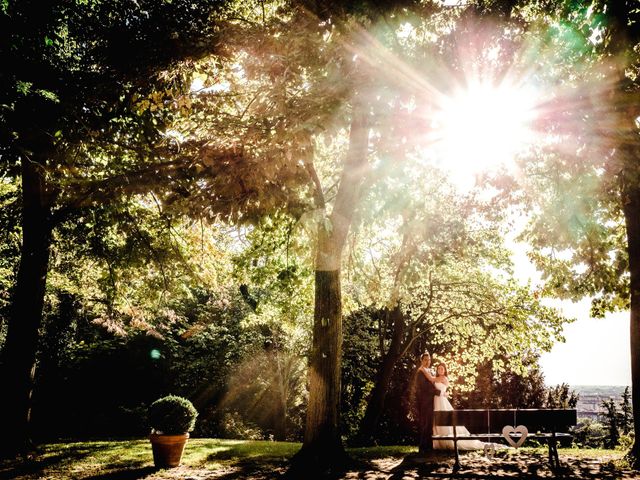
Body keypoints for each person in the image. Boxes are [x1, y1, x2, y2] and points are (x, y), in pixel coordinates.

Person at [432, 361, 485, 450]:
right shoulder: (436, 377)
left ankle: (446, 440)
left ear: (445, 370)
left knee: (444, 418)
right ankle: (438, 441)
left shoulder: (444, 378)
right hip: (436, 400)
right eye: (438, 368)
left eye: (442, 368)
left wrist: (424, 370)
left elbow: (434, 382)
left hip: (441, 400)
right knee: (436, 419)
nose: (440, 370)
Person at [415, 352, 440, 453]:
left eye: (429, 360)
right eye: (425, 360)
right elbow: (425, 388)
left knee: (430, 424)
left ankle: (429, 447)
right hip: (425, 402)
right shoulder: (420, 372)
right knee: (426, 423)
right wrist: (438, 392)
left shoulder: (430, 372)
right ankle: (423, 447)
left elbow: (434, 383)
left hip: (432, 401)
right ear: (421, 360)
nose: (427, 362)